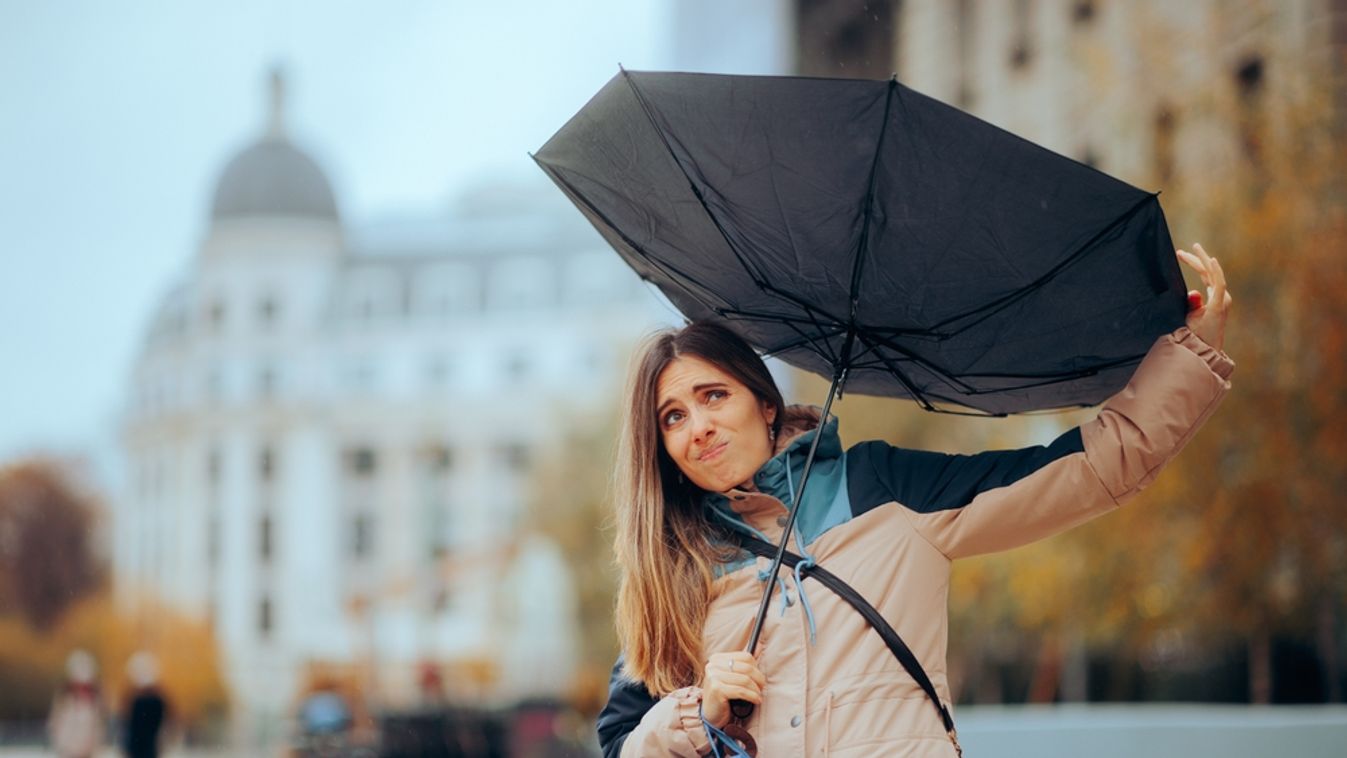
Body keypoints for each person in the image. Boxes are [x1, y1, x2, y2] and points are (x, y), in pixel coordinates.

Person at [597, 245, 1234, 756]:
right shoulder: (672, 568)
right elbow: (619, 746)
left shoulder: (880, 487)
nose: (697, 426)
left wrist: (1192, 352)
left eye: (713, 396)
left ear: (765, 404)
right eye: (673, 417)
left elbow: (1090, 469)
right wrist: (692, 715)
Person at [48, 649, 106, 758]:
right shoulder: (64, 701)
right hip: (68, 752)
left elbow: (98, 728)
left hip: (89, 752)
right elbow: (56, 725)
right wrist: (64, 747)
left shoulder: (96, 702)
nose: (83, 688)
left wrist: (95, 747)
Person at [121, 651, 171, 758]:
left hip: (141, 749)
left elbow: (131, 727)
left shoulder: (138, 701)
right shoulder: (158, 701)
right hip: (149, 749)